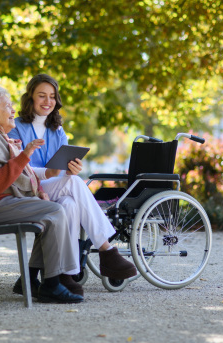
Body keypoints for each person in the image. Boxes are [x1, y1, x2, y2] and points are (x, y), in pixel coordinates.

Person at [0, 86, 83, 304]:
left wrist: (39, 191)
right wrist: (26, 154)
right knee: (56, 212)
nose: (13, 110)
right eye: (8, 106)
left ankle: (30, 280)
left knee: (52, 211)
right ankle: (53, 283)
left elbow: (14, 175)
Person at [8, 74, 137, 295]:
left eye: (52, 97)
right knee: (75, 185)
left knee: (69, 204)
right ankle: (106, 249)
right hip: (27, 189)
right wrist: (51, 173)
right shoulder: (16, 127)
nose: (47, 101)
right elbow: (18, 167)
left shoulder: (57, 131)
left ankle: (64, 275)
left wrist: (70, 170)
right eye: (41, 96)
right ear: (30, 97)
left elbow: (61, 172)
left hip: (54, 190)